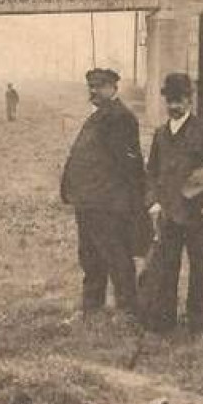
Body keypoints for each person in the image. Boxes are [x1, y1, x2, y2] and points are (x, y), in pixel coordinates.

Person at [143, 72, 203, 336]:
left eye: (180, 100)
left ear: (190, 100)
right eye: (170, 101)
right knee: (166, 268)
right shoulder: (161, 135)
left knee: (199, 270)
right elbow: (150, 173)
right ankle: (164, 323)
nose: (174, 107)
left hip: (198, 216)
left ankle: (198, 328)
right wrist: (152, 201)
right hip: (168, 215)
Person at [59, 67, 144, 319]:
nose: (93, 91)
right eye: (90, 86)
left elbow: (128, 163)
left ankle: (127, 309)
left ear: (113, 87)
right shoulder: (99, 116)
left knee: (116, 255)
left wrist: (130, 200)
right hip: (88, 201)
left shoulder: (121, 117)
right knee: (90, 256)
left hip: (109, 202)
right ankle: (92, 307)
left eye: (99, 86)